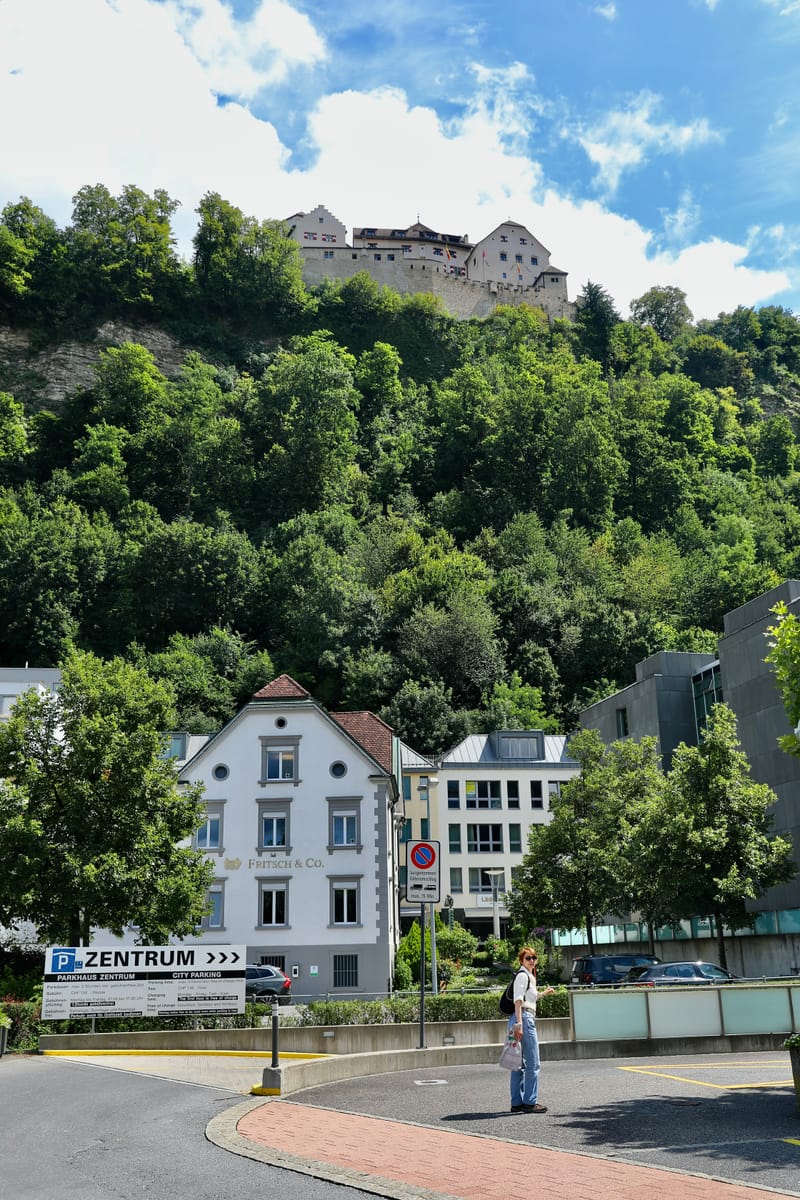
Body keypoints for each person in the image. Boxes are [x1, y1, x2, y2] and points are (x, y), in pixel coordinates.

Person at [508, 946, 554, 1114]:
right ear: (521, 960)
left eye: (534, 958)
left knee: (518, 1063)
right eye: (528, 958)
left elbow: (528, 999)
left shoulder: (529, 976)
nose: (532, 961)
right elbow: (518, 1000)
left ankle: (517, 1103)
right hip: (524, 1019)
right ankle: (529, 1102)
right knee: (533, 1063)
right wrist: (519, 1024)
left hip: (521, 1018)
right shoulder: (522, 976)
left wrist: (543, 994)